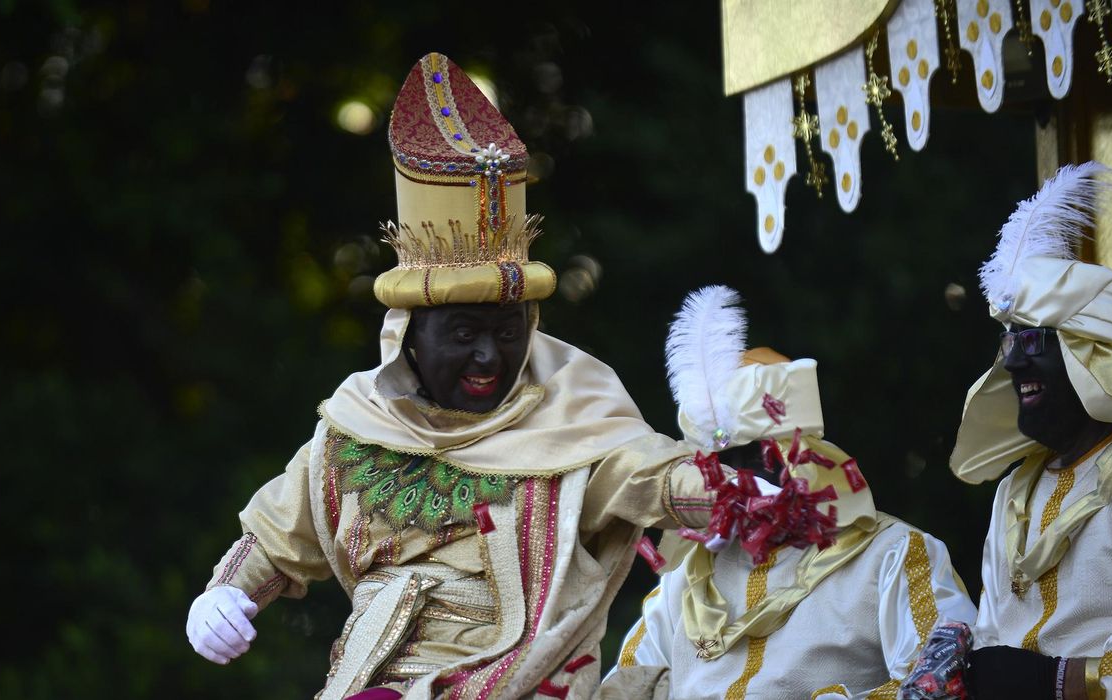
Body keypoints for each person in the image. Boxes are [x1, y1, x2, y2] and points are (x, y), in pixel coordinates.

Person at [184, 53, 723, 700]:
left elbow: (650, 477)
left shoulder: (570, 412)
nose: (490, 358)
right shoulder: (357, 425)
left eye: (507, 331)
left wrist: (741, 489)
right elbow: (275, 538)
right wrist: (220, 596)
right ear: (410, 333)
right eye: (464, 335)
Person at [602, 287, 976, 700]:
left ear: (804, 456)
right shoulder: (681, 582)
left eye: (755, 458)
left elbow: (941, 686)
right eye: (720, 466)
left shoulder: (893, 556)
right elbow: (626, 688)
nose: (736, 484)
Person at [951, 162, 1112, 699]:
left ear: (1099, 360)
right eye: (1007, 346)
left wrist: (1062, 682)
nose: (1013, 366)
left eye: (1032, 343)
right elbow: (994, 642)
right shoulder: (1015, 491)